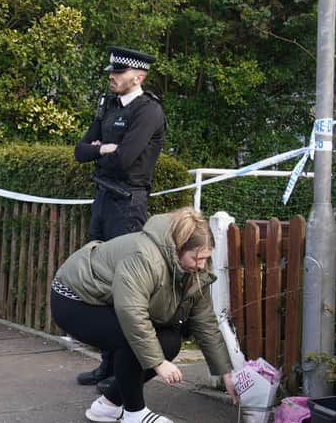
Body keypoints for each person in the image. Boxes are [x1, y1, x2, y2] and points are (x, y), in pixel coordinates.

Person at [50, 207, 237, 423]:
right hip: (74, 298)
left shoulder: (194, 269)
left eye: (206, 257)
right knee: (130, 339)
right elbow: (131, 314)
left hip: (107, 300)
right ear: (178, 249)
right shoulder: (146, 257)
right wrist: (158, 363)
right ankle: (134, 414)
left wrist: (226, 372)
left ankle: (108, 405)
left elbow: (204, 322)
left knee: (168, 342)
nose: (202, 265)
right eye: (197, 258)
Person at [74, 46, 166, 388]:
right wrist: (102, 149)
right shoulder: (108, 105)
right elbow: (79, 151)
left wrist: (107, 151)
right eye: (111, 72)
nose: (111, 76)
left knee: (125, 289)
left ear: (137, 77)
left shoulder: (148, 111)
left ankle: (122, 373)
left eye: (118, 73)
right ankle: (106, 363)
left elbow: (126, 159)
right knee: (99, 282)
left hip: (127, 204)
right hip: (102, 198)